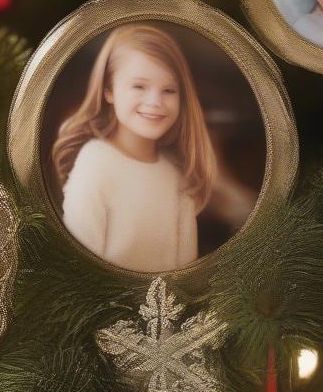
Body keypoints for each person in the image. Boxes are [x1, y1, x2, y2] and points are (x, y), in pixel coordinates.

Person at [51, 24, 217, 272]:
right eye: (139, 86)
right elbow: (77, 273)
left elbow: (186, 276)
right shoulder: (95, 162)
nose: (155, 102)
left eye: (169, 90)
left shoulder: (177, 178)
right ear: (109, 91)